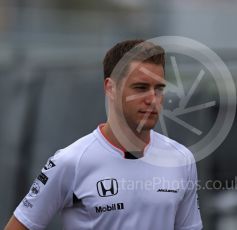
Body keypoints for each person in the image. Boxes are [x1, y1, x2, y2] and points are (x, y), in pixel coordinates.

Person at [5, 39, 203, 230]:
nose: (152, 99)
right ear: (111, 88)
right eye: (141, 88)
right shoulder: (70, 161)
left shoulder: (181, 159)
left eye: (159, 89)